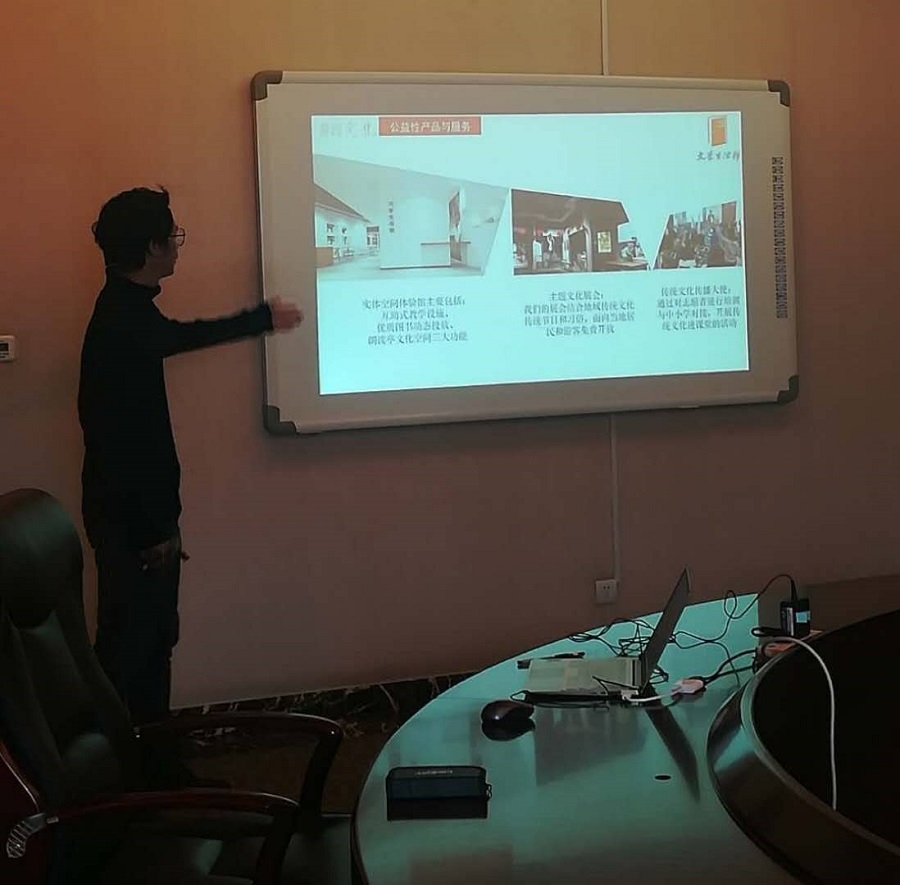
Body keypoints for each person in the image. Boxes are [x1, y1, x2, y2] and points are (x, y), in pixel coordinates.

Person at [78, 186, 301, 725]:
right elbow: (119, 444)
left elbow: (174, 339)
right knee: (134, 651)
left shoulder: (125, 310)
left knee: (149, 645)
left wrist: (258, 320)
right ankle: (129, 769)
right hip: (136, 526)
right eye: (173, 235)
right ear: (152, 247)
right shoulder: (123, 320)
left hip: (134, 520)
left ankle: (150, 763)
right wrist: (152, 532)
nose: (178, 245)